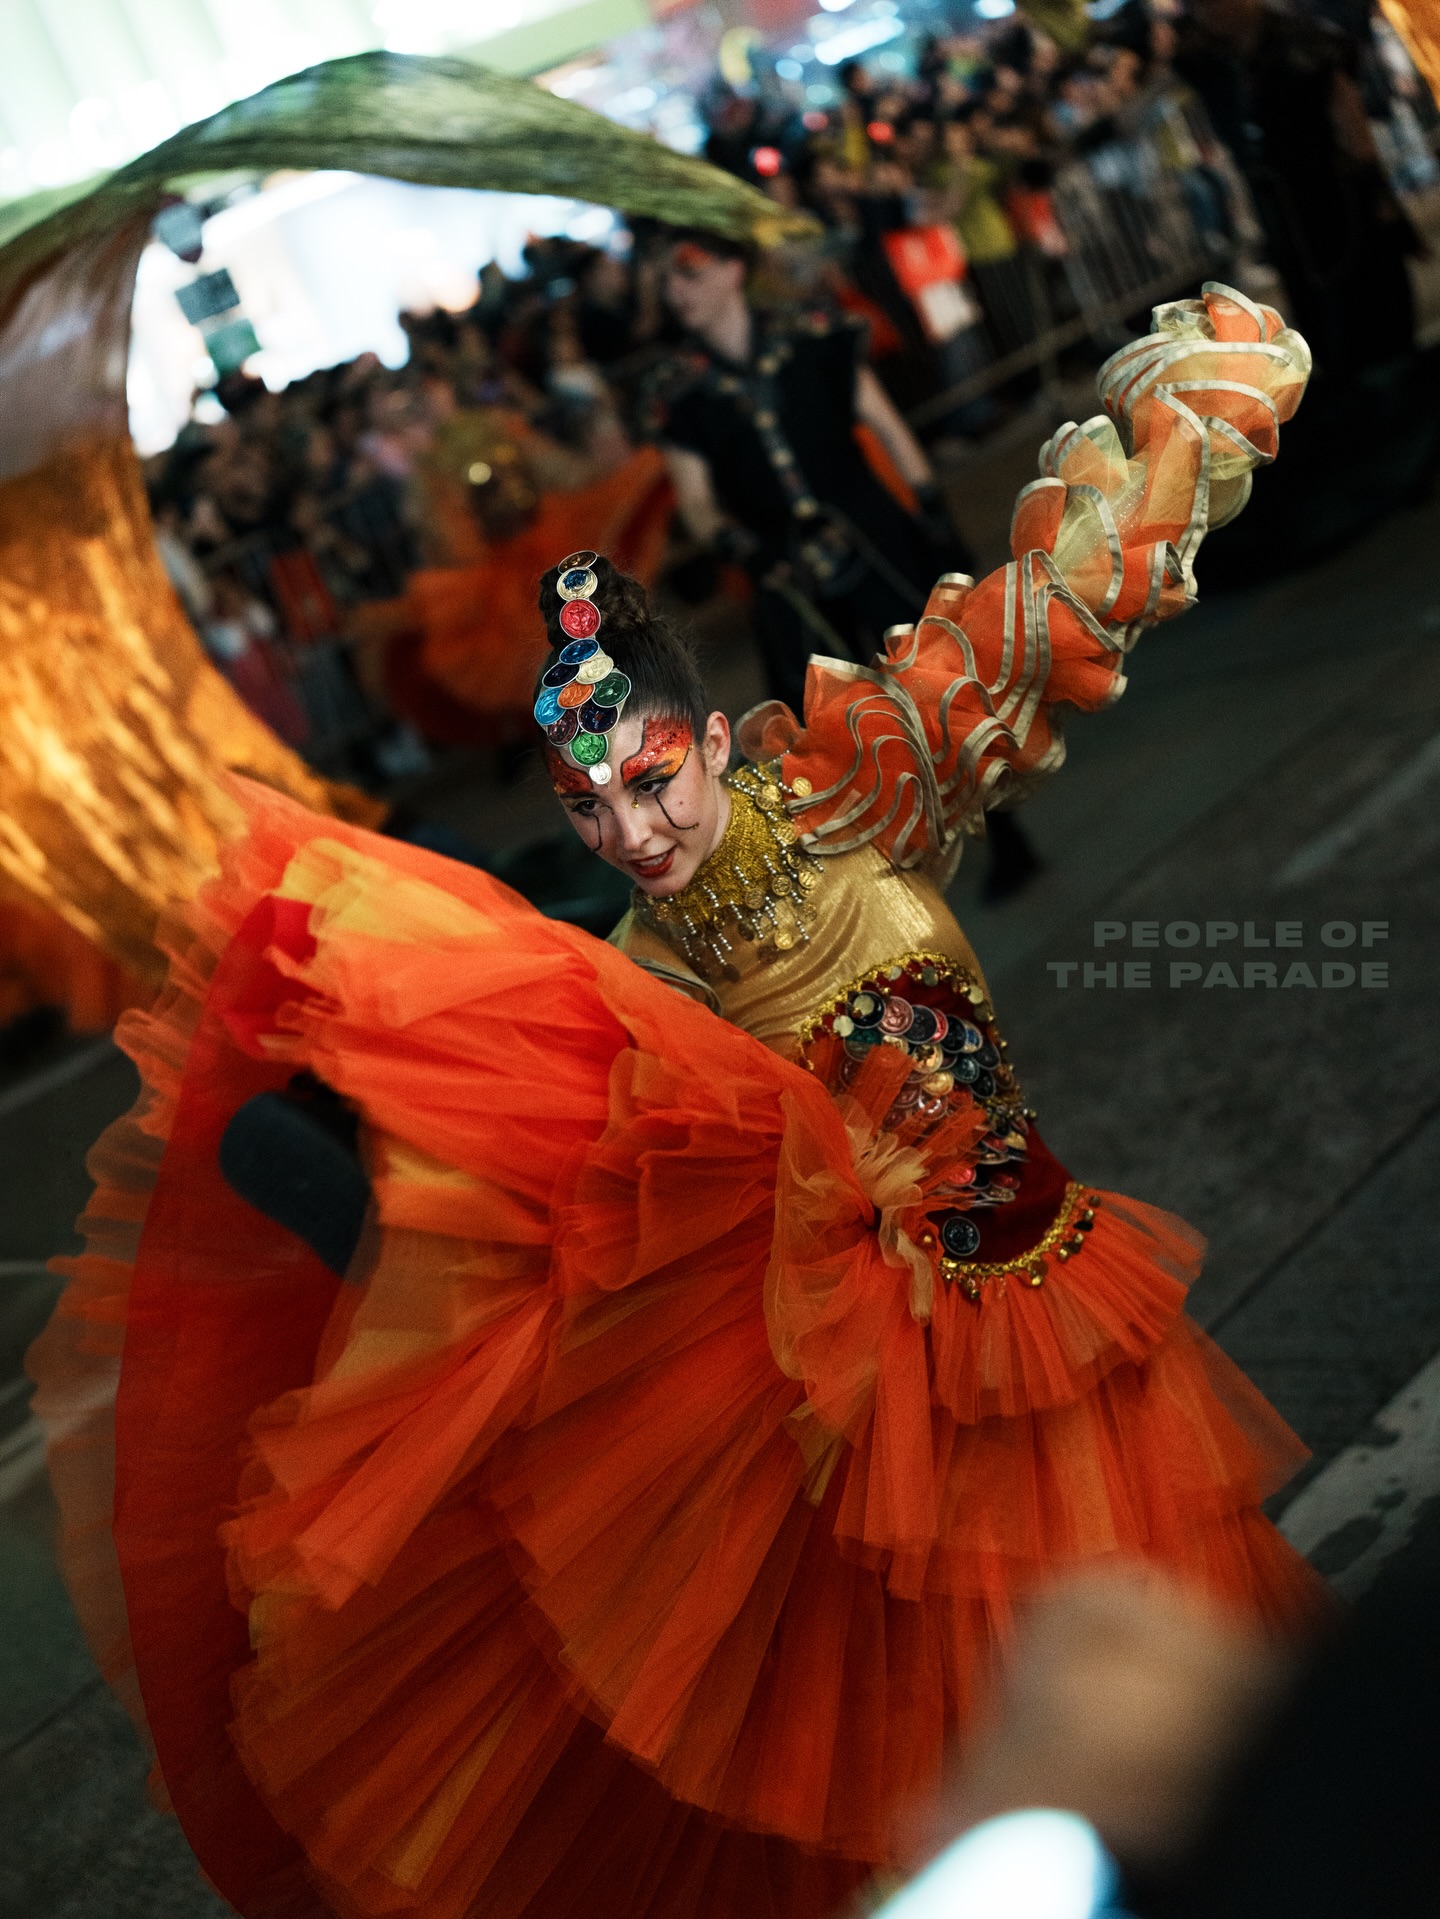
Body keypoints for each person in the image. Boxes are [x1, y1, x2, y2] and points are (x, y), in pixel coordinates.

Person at [30, 286, 1321, 1919]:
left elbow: (1046, 610)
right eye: (589, 806)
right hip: (857, 1404)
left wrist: (1197, 421)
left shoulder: (859, 777)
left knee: (1185, 1712)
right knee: (947, 1740)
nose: (635, 830)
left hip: (1053, 1306)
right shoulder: (635, 975)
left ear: (711, 741)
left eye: (654, 781)